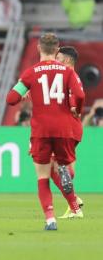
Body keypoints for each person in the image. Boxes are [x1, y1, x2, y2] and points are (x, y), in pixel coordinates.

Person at [6, 33, 85, 230]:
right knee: (60, 165)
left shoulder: (31, 72)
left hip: (41, 129)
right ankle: (68, 182)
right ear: (57, 49)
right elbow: (80, 94)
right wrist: (78, 109)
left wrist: (24, 93)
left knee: (43, 175)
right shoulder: (68, 72)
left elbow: (11, 99)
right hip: (65, 127)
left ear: (39, 49)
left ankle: (50, 218)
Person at [52, 46, 84, 218]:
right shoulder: (67, 77)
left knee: (54, 167)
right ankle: (73, 201)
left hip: (68, 127)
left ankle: (74, 203)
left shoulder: (70, 77)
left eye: (58, 57)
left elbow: (77, 99)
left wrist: (74, 108)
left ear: (66, 60)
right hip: (71, 127)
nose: (55, 60)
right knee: (60, 166)